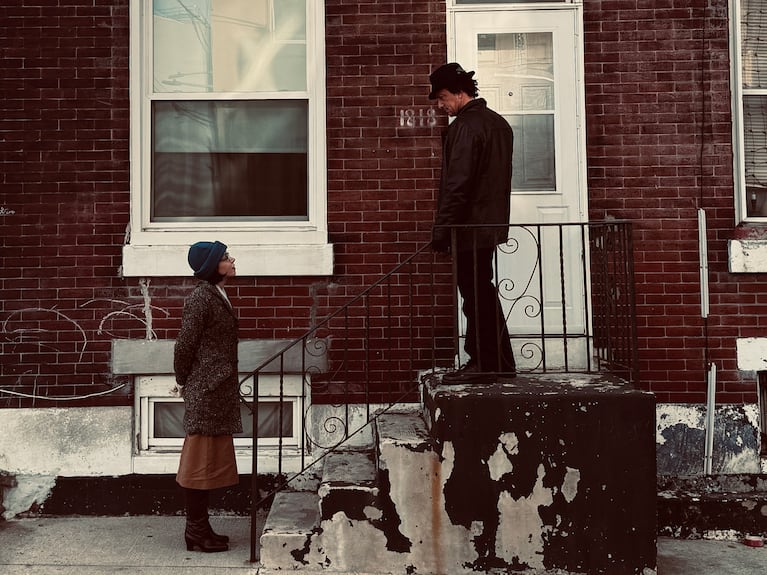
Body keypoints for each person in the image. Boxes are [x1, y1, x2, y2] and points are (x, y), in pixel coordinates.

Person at [428, 62, 516, 384]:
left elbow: (457, 186)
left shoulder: (465, 128)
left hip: (468, 228)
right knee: (482, 291)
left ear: (459, 91)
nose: (440, 106)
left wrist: (442, 231)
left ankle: (484, 363)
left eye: (441, 98)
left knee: (475, 295)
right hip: (489, 226)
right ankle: (500, 362)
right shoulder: (499, 125)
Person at [173, 240, 241, 552]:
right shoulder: (200, 298)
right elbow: (184, 344)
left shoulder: (217, 294)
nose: (231, 260)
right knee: (198, 464)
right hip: (205, 391)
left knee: (209, 464)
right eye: (226, 258)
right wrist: (184, 381)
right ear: (213, 266)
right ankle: (195, 532)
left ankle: (203, 528)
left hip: (216, 390)